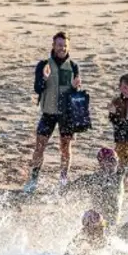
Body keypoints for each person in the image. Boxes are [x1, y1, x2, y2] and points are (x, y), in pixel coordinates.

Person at [26, 32, 82, 193]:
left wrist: (76, 87)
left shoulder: (73, 66)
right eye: (59, 45)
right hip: (48, 113)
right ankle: (33, 180)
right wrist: (44, 78)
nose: (62, 48)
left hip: (67, 114)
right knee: (39, 146)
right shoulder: (44, 64)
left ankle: (63, 180)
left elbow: (76, 93)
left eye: (65, 45)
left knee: (66, 147)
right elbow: (37, 88)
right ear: (53, 46)